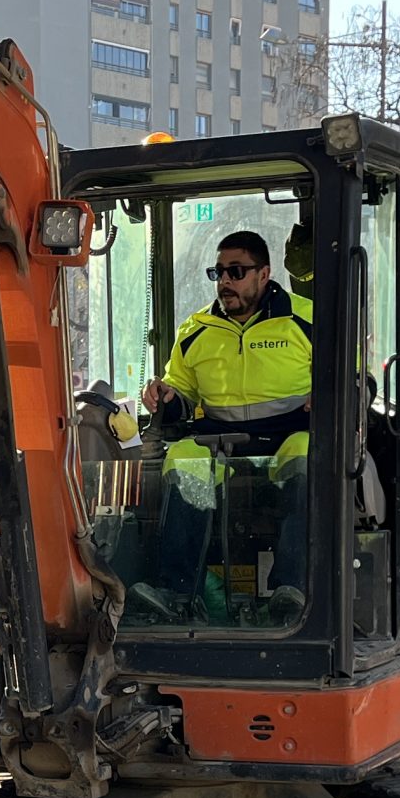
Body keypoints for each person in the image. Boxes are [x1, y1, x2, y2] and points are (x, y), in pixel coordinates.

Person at [129, 229, 313, 622]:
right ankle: (179, 594)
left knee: (308, 451)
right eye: (218, 273)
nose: (225, 281)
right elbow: (181, 393)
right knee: (183, 456)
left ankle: (292, 590)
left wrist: (333, 392)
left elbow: (355, 376)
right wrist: (164, 396)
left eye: (236, 272)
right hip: (219, 443)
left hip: (289, 435)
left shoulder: (307, 319)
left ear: (264, 274)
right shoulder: (195, 331)